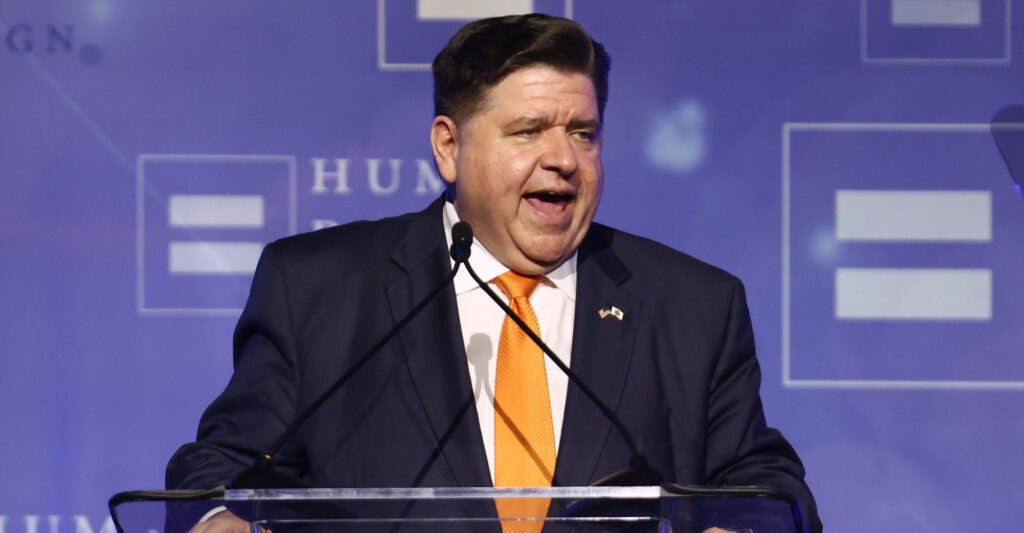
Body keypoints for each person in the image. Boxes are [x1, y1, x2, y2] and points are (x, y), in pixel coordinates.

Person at [167, 13, 822, 533]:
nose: (564, 159)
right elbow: (224, 465)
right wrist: (215, 518)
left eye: (584, 133)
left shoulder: (693, 305)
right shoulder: (319, 287)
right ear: (449, 147)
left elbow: (767, 485)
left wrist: (743, 527)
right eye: (529, 131)